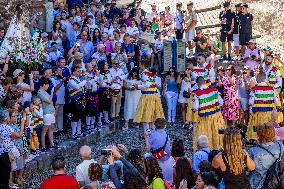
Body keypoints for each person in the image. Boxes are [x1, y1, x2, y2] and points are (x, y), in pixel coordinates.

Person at [192, 76, 226, 150]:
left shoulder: (197, 94)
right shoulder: (214, 90)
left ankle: (208, 149)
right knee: (216, 133)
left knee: (206, 133)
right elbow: (221, 103)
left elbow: (195, 107)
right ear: (204, 82)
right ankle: (217, 148)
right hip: (216, 116)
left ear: (198, 84)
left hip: (204, 118)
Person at [248, 122, 284, 189]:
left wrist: (261, 141)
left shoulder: (253, 151)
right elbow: (276, 139)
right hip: (274, 181)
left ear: (259, 134)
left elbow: (248, 170)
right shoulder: (280, 145)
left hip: (257, 184)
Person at [134, 60, 165, 136]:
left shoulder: (144, 73)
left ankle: (147, 131)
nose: (139, 66)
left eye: (140, 65)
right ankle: (153, 130)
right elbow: (151, 83)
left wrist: (137, 86)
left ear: (143, 65)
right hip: (154, 95)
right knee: (153, 113)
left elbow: (147, 85)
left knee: (146, 113)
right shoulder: (150, 73)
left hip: (147, 96)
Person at [247, 72, 277, 139]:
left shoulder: (254, 90)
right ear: (264, 78)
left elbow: (250, 102)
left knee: (256, 131)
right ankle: (268, 138)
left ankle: (255, 139)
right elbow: (276, 101)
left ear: (258, 79)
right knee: (267, 128)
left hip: (257, 114)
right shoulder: (271, 89)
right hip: (268, 115)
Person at [146, 118, 175, 184]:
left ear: (155, 125)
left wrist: (146, 136)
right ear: (165, 126)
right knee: (168, 178)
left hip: (157, 158)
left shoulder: (153, 135)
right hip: (167, 158)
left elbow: (148, 148)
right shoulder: (166, 135)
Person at [0, 110, 24, 189]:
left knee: (7, 169)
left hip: (4, 150)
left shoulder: (1, 126)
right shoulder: (7, 127)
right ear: (7, 118)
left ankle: (9, 184)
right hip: (8, 151)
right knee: (8, 169)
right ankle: (9, 184)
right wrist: (22, 123)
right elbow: (19, 136)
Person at [37, 77, 56, 152]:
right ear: (44, 84)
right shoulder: (40, 92)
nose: (48, 86)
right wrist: (52, 93)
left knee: (51, 128)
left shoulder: (44, 91)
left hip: (51, 112)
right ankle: (43, 146)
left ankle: (52, 144)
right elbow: (49, 101)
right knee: (44, 130)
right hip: (46, 113)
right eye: (47, 84)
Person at [68, 66, 86, 139]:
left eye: (80, 71)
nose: (80, 73)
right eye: (78, 71)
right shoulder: (71, 79)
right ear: (73, 72)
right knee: (75, 116)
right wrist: (84, 80)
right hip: (74, 100)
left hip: (81, 99)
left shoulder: (78, 79)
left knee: (80, 116)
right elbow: (76, 87)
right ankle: (73, 133)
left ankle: (79, 132)